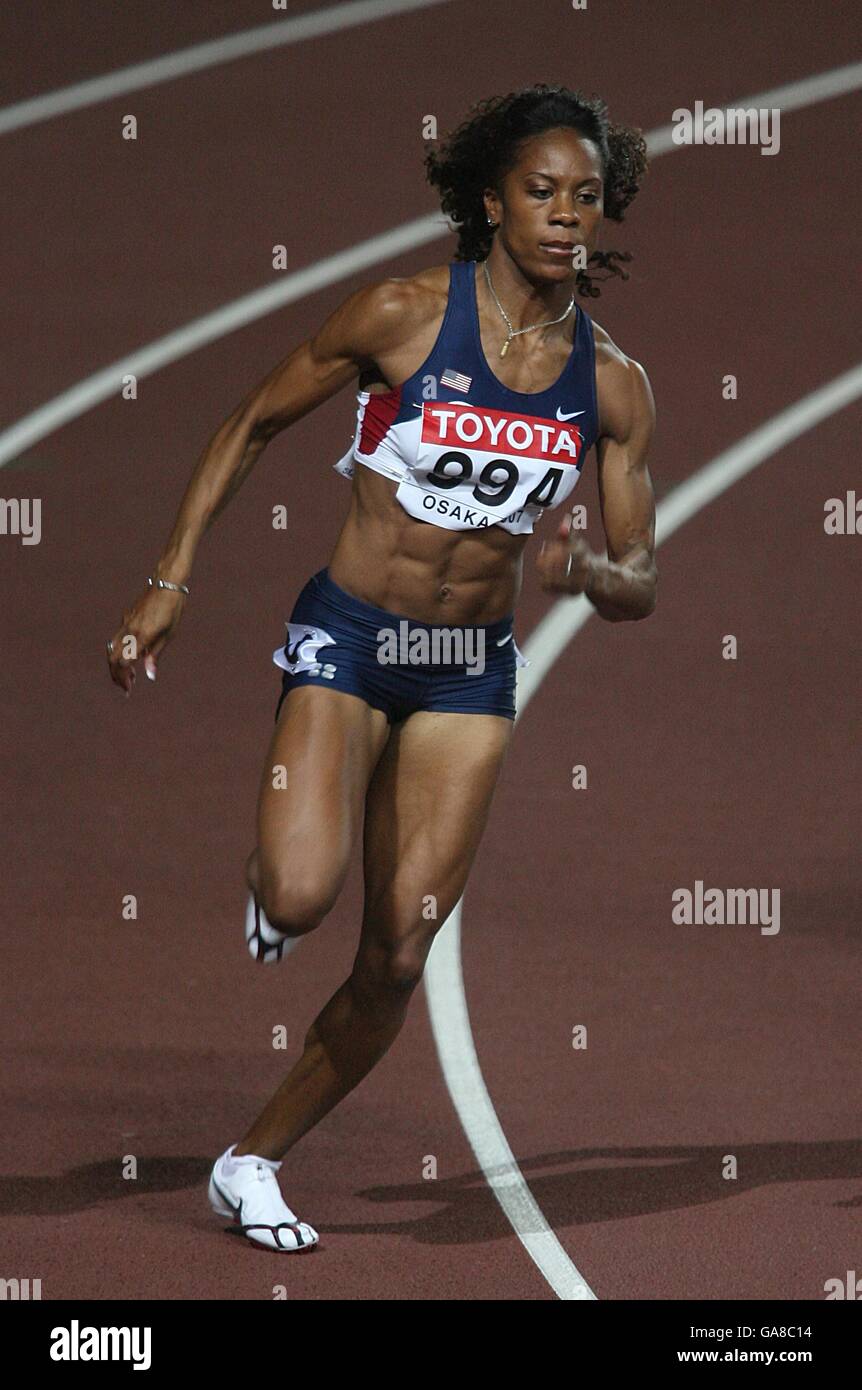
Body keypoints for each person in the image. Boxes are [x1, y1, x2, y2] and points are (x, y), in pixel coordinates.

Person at [107, 83, 657, 1252]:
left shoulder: (610, 387)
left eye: (586, 198)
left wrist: (595, 579)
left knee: (399, 951)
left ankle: (250, 1160)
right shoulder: (403, 316)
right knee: (302, 894)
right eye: (541, 192)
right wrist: (170, 581)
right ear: (489, 200)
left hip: (465, 670)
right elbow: (251, 420)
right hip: (354, 640)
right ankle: (280, 864)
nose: (565, 216)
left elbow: (640, 575)